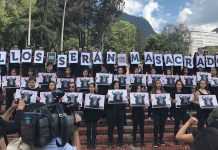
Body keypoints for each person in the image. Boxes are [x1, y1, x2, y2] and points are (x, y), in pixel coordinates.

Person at [170, 80, 189, 145]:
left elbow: (188, 101)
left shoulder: (185, 92)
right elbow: (170, 100)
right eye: (178, 84)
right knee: (176, 125)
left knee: (185, 125)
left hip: (184, 110)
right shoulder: (172, 92)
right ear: (176, 85)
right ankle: (176, 139)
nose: (179, 85)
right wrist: (173, 101)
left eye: (180, 84)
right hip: (176, 111)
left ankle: (186, 138)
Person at [107, 81, 125, 148]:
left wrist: (126, 98)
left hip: (120, 113)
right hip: (111, 113)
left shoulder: (123, 93)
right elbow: (106, 104)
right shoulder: (109, 93)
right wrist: (106, 98)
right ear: (113, 86)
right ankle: (110, 142)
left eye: (118, 85)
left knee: (120, 128)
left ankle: (120, 142)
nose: (117, 86)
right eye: (115, 85)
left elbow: (124, 104)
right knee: (110, 128)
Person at [150, 79, 168, 148]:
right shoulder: (152, 92)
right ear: (155, 84)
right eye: (157, 83)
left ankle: (160, 139)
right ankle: (155, 140)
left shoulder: (164, 91)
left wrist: (169, 100)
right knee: (156, 125)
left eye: (159, 83)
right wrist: (150, 100)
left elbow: (167, 100)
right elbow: (150, 101)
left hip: (164, 111)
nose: (158, 84)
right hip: (156, 111)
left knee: (162, 125)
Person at [84, 83, 99, 148]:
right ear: (88, 88)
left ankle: (93, 143)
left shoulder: (98, 96)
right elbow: (83, 107)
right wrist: (83, 102)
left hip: (95, 114)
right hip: (87, 114)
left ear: (94, 88)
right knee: (88, 130)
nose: (91, 88)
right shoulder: (85, 96)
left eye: (93, 87)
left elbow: (100, 106)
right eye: (90, 87)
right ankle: (88, 142)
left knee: (94, 130)